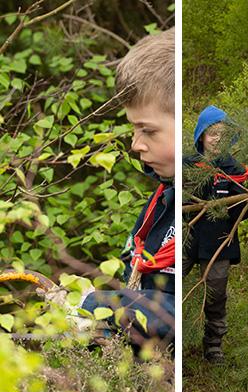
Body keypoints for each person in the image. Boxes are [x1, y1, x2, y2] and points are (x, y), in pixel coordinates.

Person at [79, 29, 176, 346]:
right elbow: (137, 271)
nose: (136, 145)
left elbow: (180, 308)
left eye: (147, 130)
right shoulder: (162, 198)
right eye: (134, 129)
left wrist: (96, 304)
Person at [182, 106, 248, 363]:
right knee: (172, 282)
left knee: (216, 292)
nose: (217, 139)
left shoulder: (234, 169)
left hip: (219, 241)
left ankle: (213, 345)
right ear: (201, 135)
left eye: (222, 134)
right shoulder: (187, 165)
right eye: (212, 134)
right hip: (188, 238)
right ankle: (167, 334)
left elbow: (238, 209)